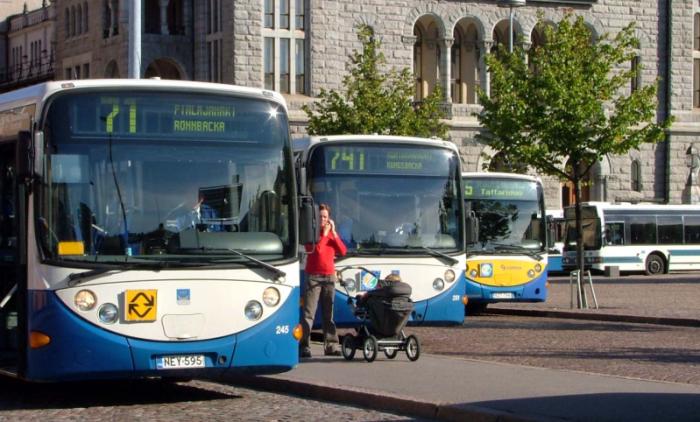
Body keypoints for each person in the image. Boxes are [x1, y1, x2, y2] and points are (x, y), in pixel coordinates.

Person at [300, 203, 347, 358]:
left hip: (329, 276)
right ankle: (304, 346)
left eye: (325, 216)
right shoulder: (311, 234)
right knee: (309, 313)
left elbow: (343, 250)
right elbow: (317, 250)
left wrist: (333, 233)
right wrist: (325, 234)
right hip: (313, 277)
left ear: (329, 218)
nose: (322, 219)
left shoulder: (330, 234)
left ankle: (331, 345)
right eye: (320, 216)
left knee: (329, 313)